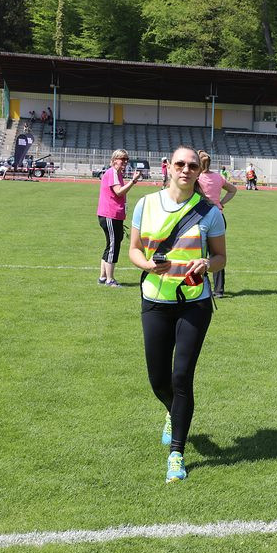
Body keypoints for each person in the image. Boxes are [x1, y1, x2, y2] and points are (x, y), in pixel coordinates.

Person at [128, 146, 226, 483]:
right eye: (180, 164)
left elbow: (221, 258)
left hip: (194, 302)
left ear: (200, 171)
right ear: (167, 166)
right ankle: (173, 412)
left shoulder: (209, 212)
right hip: (155, 299)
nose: (186, 170)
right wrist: (150, 268)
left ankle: (177, 455)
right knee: (158, 379)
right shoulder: (146, 204)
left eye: (193, 166)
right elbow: (135, 250)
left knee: (181, 376)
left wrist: (207, 264)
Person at [97, 149, 141, 287]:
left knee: (111, 244)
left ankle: (103, 277)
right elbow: (119, 192)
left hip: (113, 214)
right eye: (122, 159)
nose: (125, 161)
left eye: (126, 159)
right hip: (110, 214)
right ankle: (110, 279)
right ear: (115, 159)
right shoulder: (113, 173)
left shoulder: (117, 174)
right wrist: (133, 181)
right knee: (113, 246)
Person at [196, 149, 238, 297]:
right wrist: (221, 202)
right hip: (218, 215)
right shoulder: (219, 177)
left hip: (200, 217)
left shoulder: (196, 178)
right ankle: (219, 290)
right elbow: (233, 190)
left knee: (198, 253)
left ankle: (198, 286)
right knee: (218, 255)